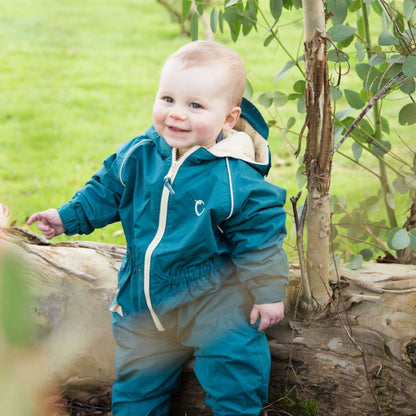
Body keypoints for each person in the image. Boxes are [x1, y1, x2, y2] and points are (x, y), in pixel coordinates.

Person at [27, 40, 289, 416]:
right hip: (145, 299)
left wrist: (267, 291)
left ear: (228, 119)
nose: (176, 115)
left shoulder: (234, 176)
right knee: (135, 391)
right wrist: (67, 216)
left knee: (235, 371)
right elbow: (107, 190)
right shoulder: (141, 153)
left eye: (195, 106)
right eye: (168, 99)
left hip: (214, 300)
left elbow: (260, 236)